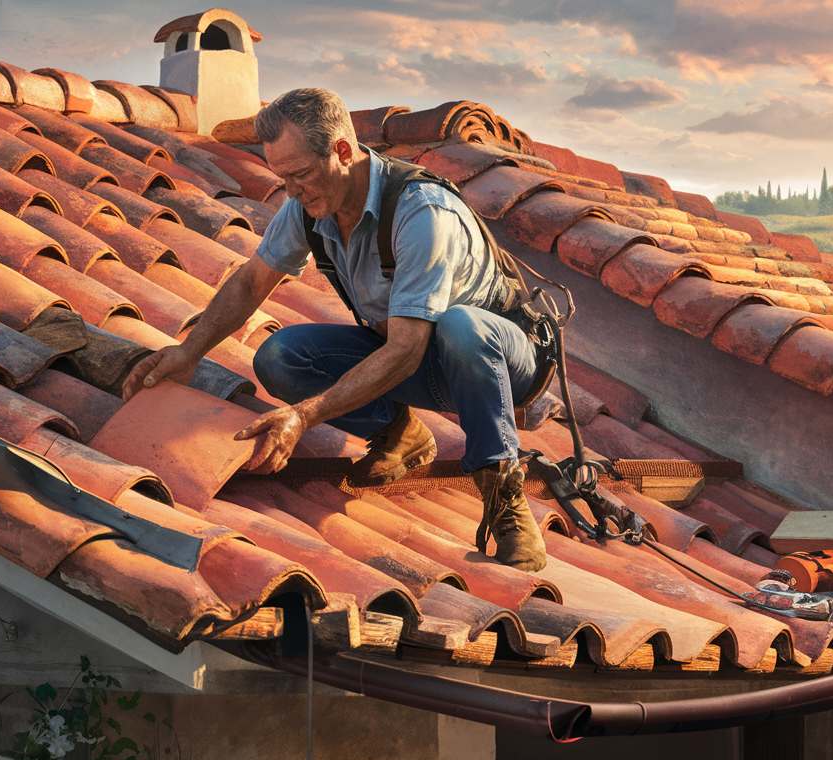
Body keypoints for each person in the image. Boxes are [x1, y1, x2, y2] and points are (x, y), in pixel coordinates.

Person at [121, 88, 547, 572]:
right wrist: (188, 352)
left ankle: (506, 498)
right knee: (280, 356)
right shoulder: (308, 203)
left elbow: (408, 349)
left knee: (459, 325)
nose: (292, 191)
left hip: (497, 364)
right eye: (282, 178)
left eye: (300, 175)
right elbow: (250, 282)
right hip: (413, 357)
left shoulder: (421, 211)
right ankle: (400, 432)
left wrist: (302, 417)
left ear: (343, 151)